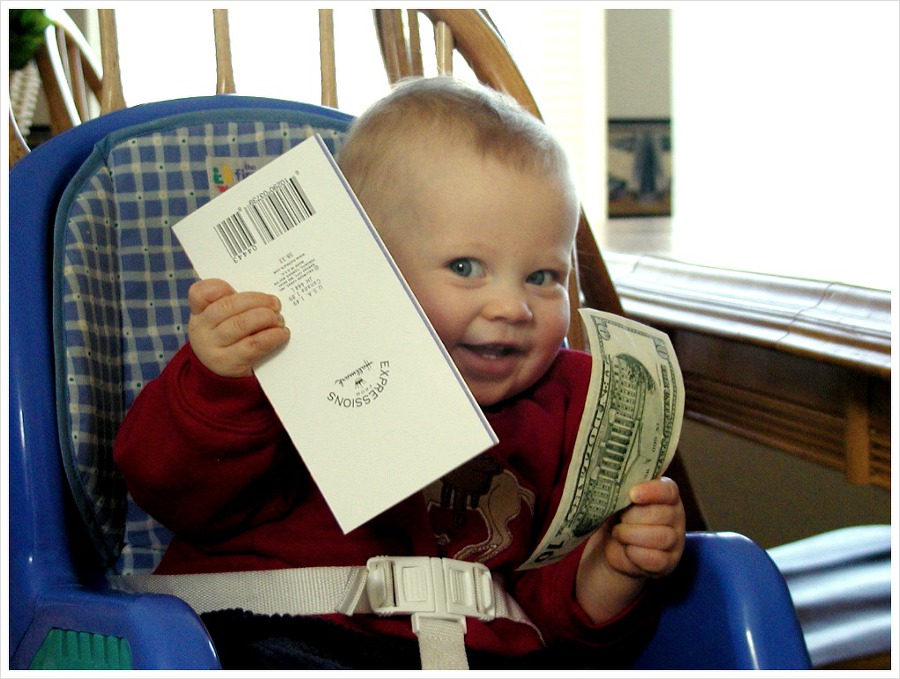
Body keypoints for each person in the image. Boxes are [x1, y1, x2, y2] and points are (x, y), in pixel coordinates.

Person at [113, 76, 686, 670]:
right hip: (278, 633)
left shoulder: (566, 409)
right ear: (363, 266)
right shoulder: (278, 359)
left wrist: (612, 569)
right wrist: (221, 384)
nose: (513, 308)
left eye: (543, 277)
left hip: (473, 653)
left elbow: (554, 620)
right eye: (465, 267)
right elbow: (169, 486)